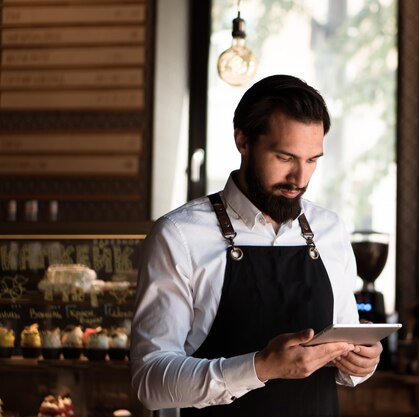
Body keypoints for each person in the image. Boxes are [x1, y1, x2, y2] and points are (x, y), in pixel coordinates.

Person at [130, 74, 382, 417]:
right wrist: (261, 366)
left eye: (312, 160)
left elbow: (342, 355)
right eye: (284, 157)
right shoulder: (179, 236)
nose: (300, 179)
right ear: (243, 141)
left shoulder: (330, 230)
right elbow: (150, 382)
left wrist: (360, 364)